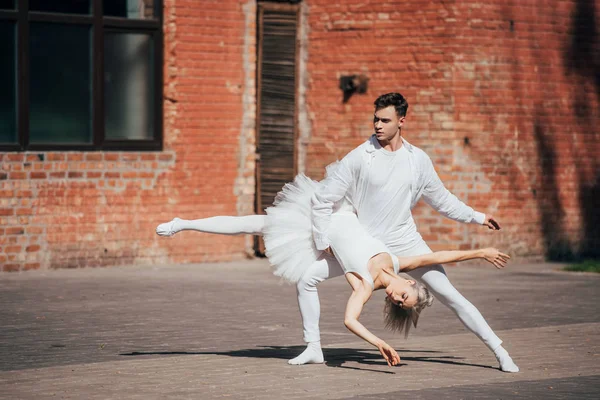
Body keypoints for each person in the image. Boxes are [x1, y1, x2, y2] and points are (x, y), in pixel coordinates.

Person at [156, 173, 511, 367]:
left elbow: (350, 321)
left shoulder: (364, 287)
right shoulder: (400, 262)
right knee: (251, 224)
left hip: (320, 239)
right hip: (332, 212)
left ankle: (313, 347)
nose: (395, 296)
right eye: (404, 294)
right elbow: (443, 256)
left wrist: (379, 342)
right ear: (406, 282)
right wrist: (481, 250)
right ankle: (182, 222)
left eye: (398, 303)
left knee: (294, 264)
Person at [301, 92, 519, 372]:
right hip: (365, 249)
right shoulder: (359, 157)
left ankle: (500, 352)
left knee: (452, 296)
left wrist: (477, 217)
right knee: (306, 278)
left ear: (401, 121)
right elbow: (323, 198)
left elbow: (442, 199)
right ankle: (312, 347)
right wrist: (322, 241)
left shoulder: (417, 160)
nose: (378, 125)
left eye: (385, 120)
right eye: (375, 119)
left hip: (406, 244)